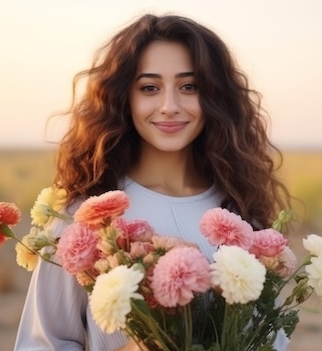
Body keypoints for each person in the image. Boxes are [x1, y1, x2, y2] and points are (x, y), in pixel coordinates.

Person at [15, 13, 292, 351]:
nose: (169, 106)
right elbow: (39, 344)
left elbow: (271, 340)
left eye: (189, 87)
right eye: (149, 88)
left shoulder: (241, 217)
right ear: (124, 99)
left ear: (215, 98)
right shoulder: (89, 220)